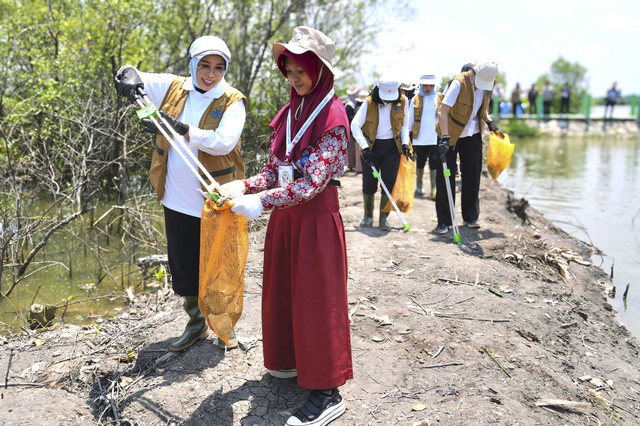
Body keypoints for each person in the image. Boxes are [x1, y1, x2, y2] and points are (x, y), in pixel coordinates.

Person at [221, 26, 352, 426]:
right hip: (286, 221)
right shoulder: (291, 111)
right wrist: (242, 185)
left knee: (316, 302)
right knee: (283, 292)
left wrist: (258, 201)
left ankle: (328, 392)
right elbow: (275, 170)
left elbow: (311, 184)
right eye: (288, 71)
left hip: (315, 223)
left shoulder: (333, 115)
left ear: (319, 69)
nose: (293, 78)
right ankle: (292, 361)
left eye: (301, 71)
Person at [114, 36, 247, 352]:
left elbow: (224, 142)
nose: (210, 74)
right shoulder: (175, 87)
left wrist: (182, 129)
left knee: (219, 264)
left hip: (214, 199)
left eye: (218, 67)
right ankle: (196, 323)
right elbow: (134, 74)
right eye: (204, 65)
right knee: (184, 266)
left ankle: (224, 326)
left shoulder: (232, 100)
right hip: (175, 198)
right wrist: (128, 77)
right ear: (193, 63)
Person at [434, 61, 502, 234]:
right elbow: (443, 111)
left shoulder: (489, 83)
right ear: (473, 72)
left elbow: (482, 109)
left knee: (472, 175)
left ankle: (471, 217)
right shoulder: (459, 83)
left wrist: (490, 123)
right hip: (450, 133)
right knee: (446, 176)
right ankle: (445, 221)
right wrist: (445, 137)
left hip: (473, 134)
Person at [351, 75, 411, 231]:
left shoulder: (403, 101)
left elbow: (404, 125)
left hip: (392, 148)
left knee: (388, 182)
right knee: (369, 182)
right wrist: (364, 147)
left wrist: (405, 143)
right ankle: (368, 217)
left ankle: (384, 218)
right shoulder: (369, 103)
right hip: (371, 147)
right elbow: (355, 125)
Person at [408, 73, 439, 200]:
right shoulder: (415, 98)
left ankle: (434, 188)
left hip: (434, 136)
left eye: (430, 85)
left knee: (434, 161)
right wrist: (407, 137)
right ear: (421, 85)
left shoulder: (439, 98)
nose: (427, 88)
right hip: (418, 137)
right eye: (425, 85)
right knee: (420, 161)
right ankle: (419, 185)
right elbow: (410, 118)